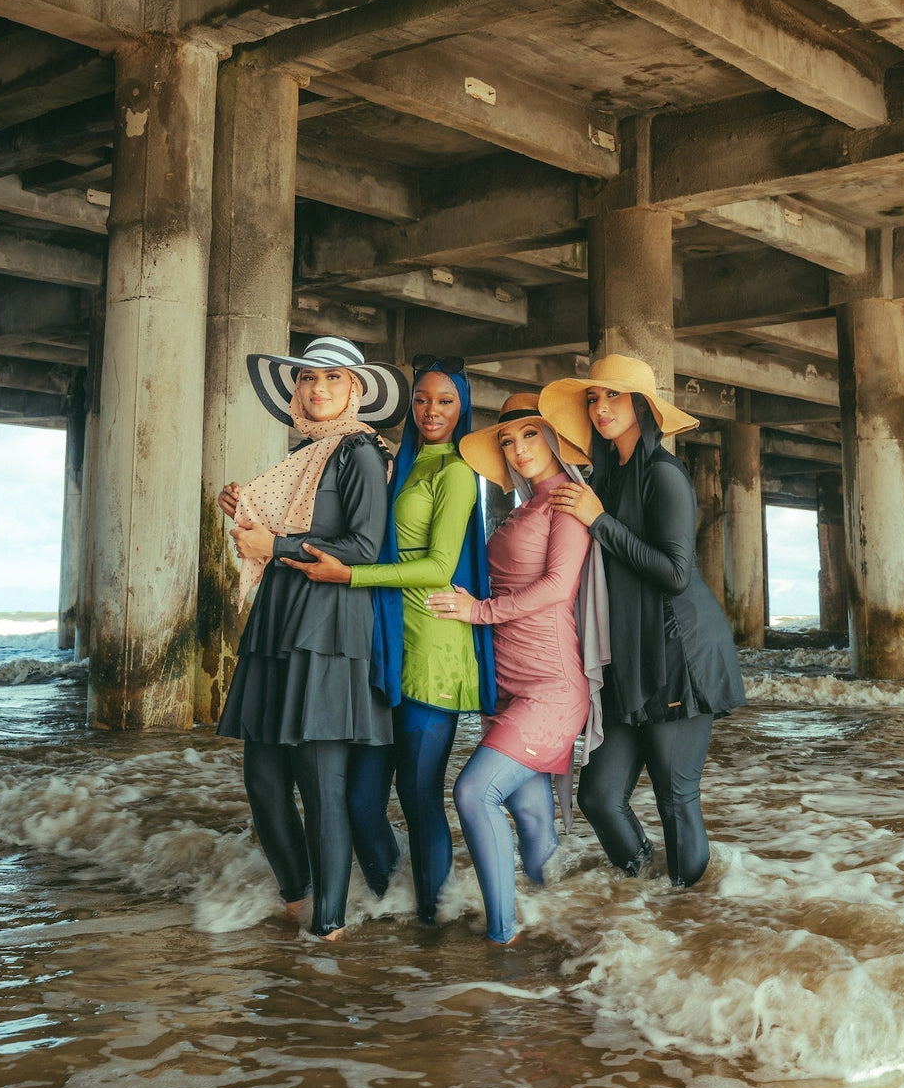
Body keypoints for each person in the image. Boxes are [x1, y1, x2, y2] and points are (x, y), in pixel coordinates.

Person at [284, 355, 495, 924]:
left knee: (420, 795)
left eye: (445, 401)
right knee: (359, 800)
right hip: (385, 645)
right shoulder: (398, 463)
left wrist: (349, 575)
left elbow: (436, 567)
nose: (431, 411)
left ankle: (433, 919)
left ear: (462, 408)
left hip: (432, 648)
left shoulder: (454, 472)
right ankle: (390, 902)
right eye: (422, 400)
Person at [216, 335, 409, 939]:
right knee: (263, 776)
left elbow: (362, 546)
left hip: (329, 623)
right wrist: (249, 513)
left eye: (332, 379)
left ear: (355, 390)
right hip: (278, 619)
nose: (317, 389)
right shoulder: (304, 456)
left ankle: (330, 925)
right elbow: (293, 521)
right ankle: (298, 898)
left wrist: (272, 544)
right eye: (307, 379)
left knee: (320, 779)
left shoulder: (360, 453)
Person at [539, 355, 746, 889]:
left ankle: (687, 923)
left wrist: (599, 521)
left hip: (679, 652)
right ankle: (647, 899)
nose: (601, 407)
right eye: (593, 398)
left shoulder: (663, 473)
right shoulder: (604, 478)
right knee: (599, 796)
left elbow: (675, 573)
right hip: (627, 656)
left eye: (614, 396)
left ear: (642, 407)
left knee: (675, 799)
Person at [426, 393, 602, 946]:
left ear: (553, 439)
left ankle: (502, 940)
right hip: (507, 685)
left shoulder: (567, 501)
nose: (518, 448)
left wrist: (478, 612)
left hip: (551, 686)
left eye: (530, 435)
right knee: (531, 823)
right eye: (507, 440)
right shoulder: (520, 508)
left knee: (474, 794)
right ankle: (566, 938)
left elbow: (557, 587)